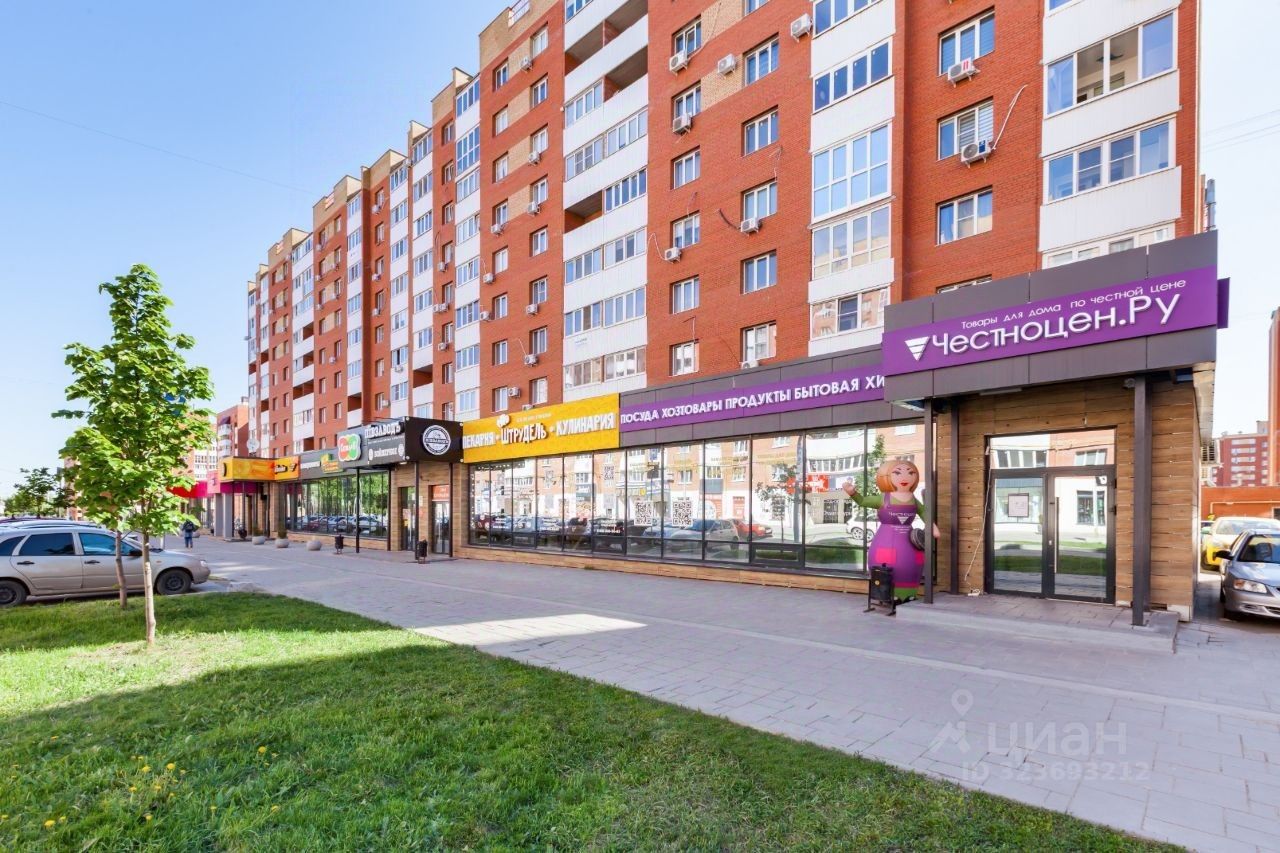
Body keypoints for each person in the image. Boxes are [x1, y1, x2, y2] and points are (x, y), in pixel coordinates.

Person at [843, 459, 937, 602]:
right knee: (887, 566)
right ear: (886, 477)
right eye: (897, 473)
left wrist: (932, 526)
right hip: (885, 540)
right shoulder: (883, 498)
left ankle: (909, 594)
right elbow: (863, 501)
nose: (905, 477)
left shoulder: (913, 499)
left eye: (910, 473)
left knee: (910, 565)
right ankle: (887, 594)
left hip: (910, 545)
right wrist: (853, 493)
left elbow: (923, 512)